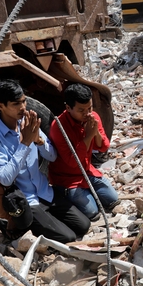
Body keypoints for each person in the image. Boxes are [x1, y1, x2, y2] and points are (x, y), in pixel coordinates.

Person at [0, 80, 90, 243]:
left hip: (44, 192)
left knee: (84, 225)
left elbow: (52, 156)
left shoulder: (28, 123)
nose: (23, 107)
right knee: (68, 237)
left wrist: (38, 140)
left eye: (24, 101)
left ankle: (43, 220)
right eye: (16, 104)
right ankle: (20, 225)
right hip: (25, 201)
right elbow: (5, 178)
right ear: (0, 106)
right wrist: (25, 143)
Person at [48, 83, 119, 221]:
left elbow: (103, 147)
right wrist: (88, 136)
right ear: (68, 108)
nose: (87, 114)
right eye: (81, 110)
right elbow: (73, 162)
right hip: (68, 178)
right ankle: (67, 195)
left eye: (90, 108)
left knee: (113, 200)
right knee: (93, 213)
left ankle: (87, 193)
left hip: (87, 171)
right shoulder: (58, 127)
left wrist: (95, 133)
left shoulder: (93, 117)